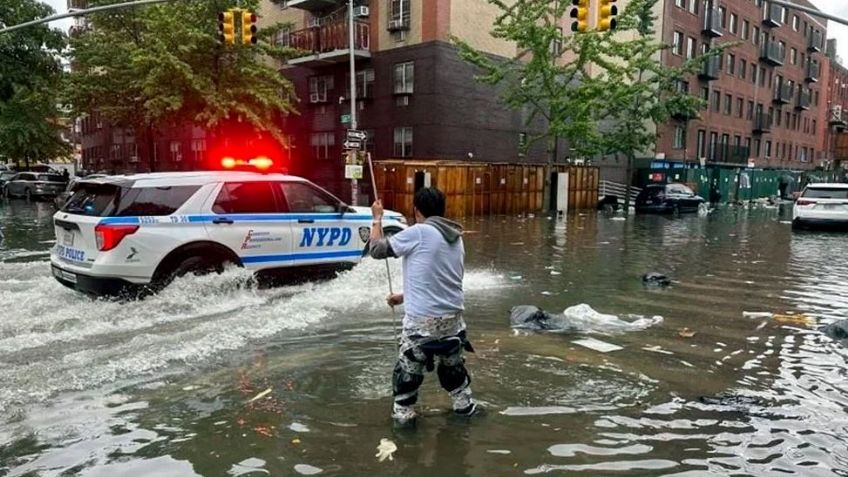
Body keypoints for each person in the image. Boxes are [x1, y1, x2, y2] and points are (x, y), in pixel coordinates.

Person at [369, 187, 478, 424]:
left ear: (416, 211)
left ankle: (405, 423)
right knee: (454, 373)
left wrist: (376, 218)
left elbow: (376, 250)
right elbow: (440, 279)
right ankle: (464, 410)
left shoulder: (418, 232)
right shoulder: (456, 237)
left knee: (407, 375)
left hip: (422, 326)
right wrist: (403, 296)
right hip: (454, 324)